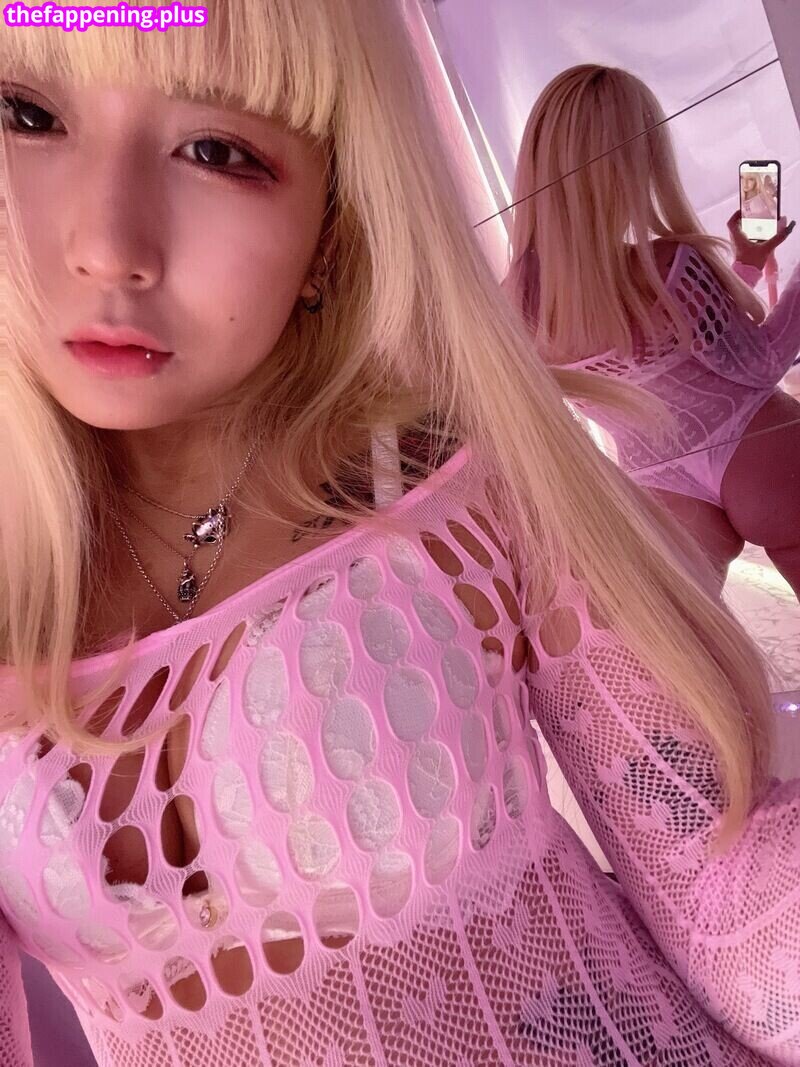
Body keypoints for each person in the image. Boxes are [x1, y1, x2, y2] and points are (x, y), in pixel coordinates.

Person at [0, 10, 798, 1066]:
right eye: (28, 114)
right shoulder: (673, 261)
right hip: (733, 449)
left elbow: (725, 894)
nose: (108, 247)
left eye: (216, 150)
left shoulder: (460, 471)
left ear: (332, 225)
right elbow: (749, 357)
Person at [506, 63, 800, 600]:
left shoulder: (514, 302)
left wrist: (746, 266)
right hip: (758, 448)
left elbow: (667, 346)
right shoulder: (669, 263)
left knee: (693, 635)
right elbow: (760, 362)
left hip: (659, 482)